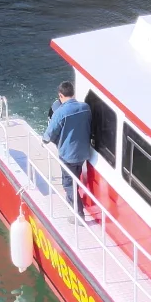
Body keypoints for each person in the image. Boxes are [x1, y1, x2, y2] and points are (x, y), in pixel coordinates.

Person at [42, 81, 92, 216]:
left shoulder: (60, 112)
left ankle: (78, 213)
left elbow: (49, 134)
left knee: (68, 184)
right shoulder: (85, 107)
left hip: (68, 155)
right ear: (73, 93)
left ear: (60, 95)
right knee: (75, 179)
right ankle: (72, 203)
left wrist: (44, 141)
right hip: (83, 153)